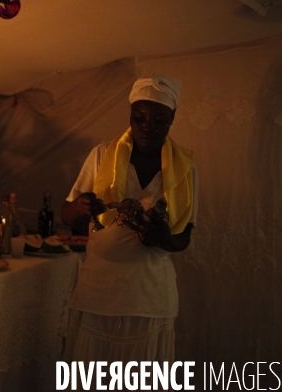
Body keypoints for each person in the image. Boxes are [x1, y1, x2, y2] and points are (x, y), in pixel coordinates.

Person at [61, 74, 198, 379]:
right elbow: (66, 215)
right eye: (140, 117)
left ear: (172, 120)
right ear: (130, 117)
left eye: (159, 120)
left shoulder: (185, 169)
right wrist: (81, 206)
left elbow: (184, 238)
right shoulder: (101, 155)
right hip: (99, 291)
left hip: (150, 297)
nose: (148, 126)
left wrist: (163, 238)